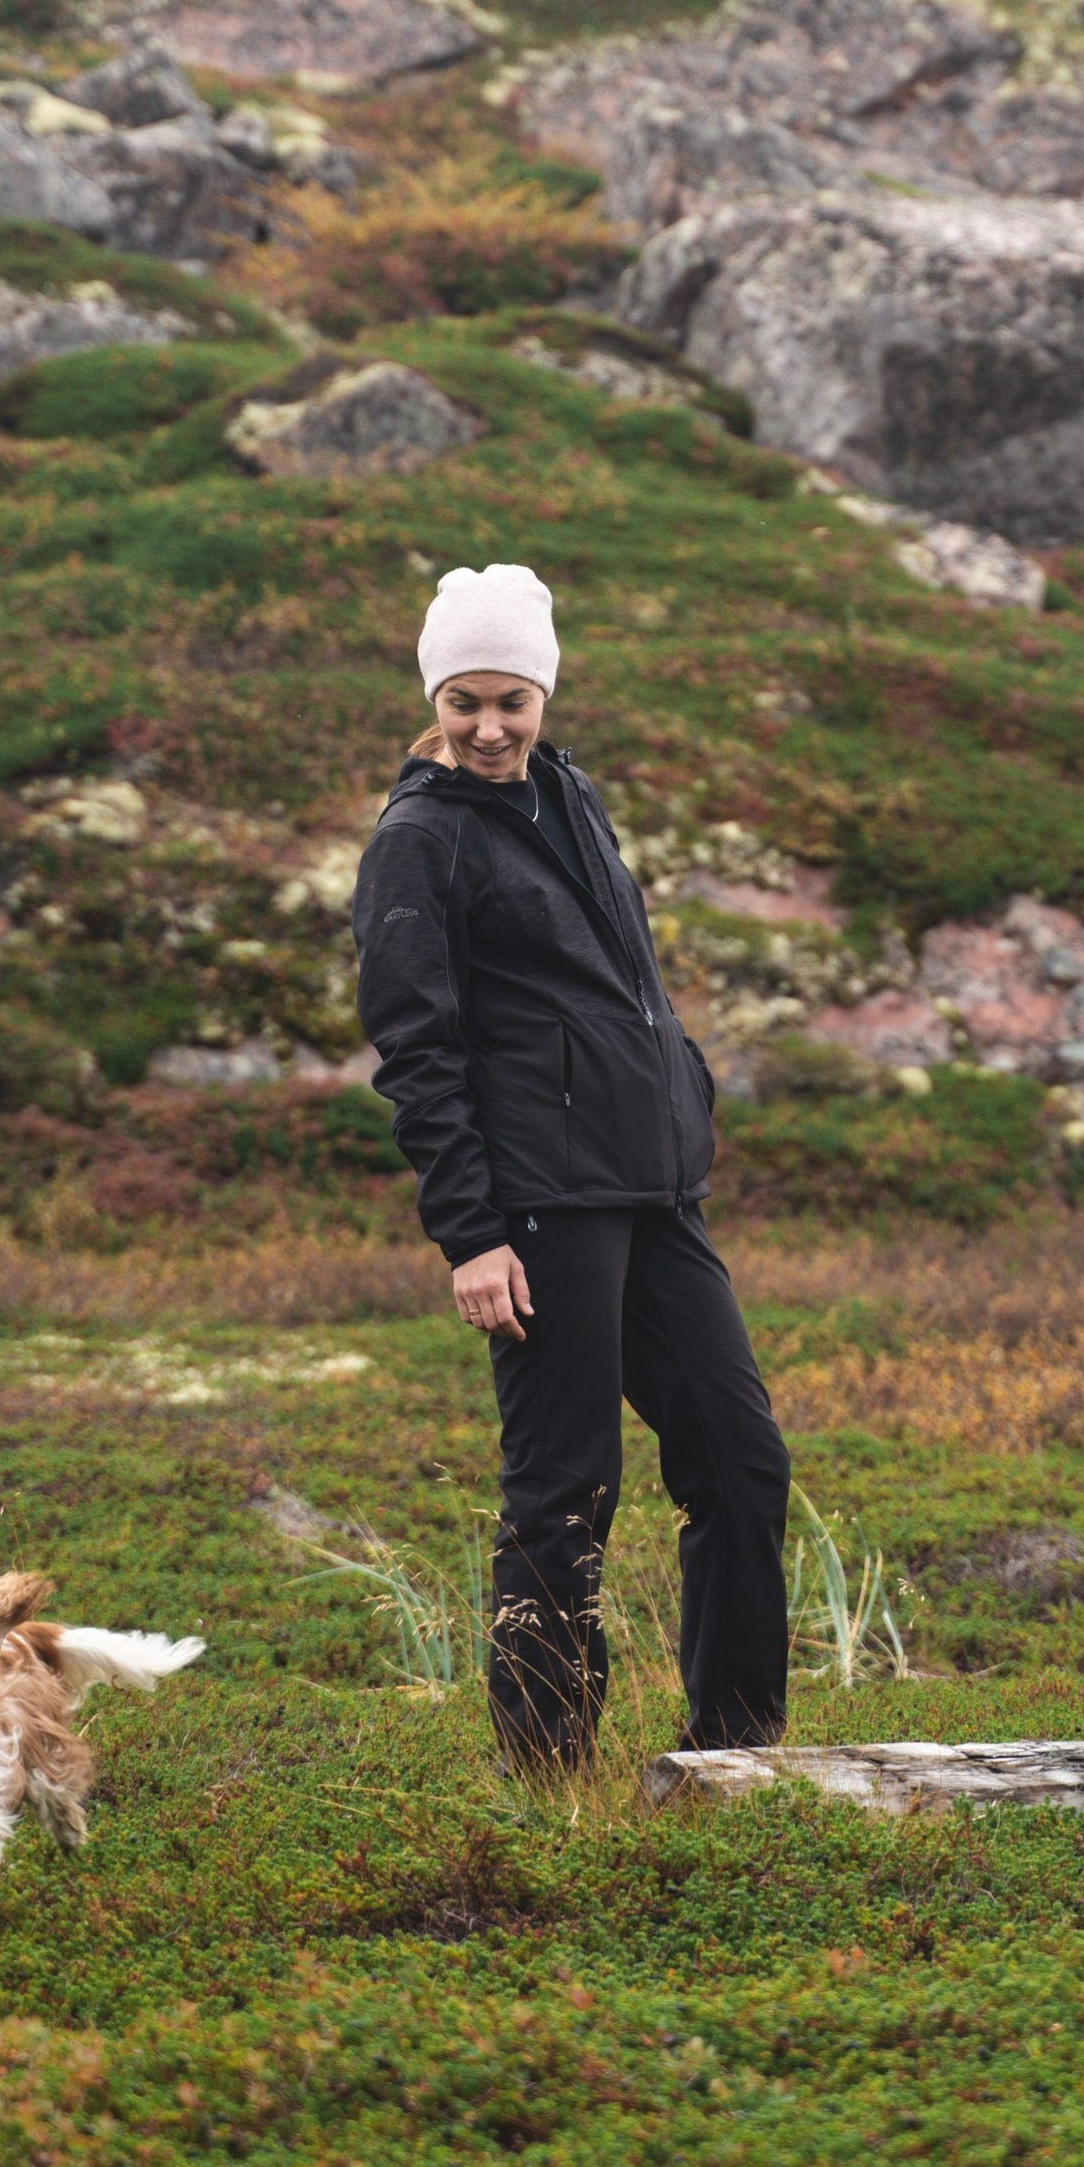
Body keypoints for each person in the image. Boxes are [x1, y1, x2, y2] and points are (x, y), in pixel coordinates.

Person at [353, 561, 791, 1772]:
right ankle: (546, 1768)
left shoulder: (568, 792)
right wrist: (471, 1233)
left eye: (512, 701)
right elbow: (417, 1051)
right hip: (540, 1206)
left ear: (544, 693)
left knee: (740, 1460)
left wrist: (681, 1094)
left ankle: (733, 1750)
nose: (489, 728)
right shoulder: (419, 841)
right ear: (434, 700)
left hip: (654, 1188)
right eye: (464, 703)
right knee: (565, 1486)